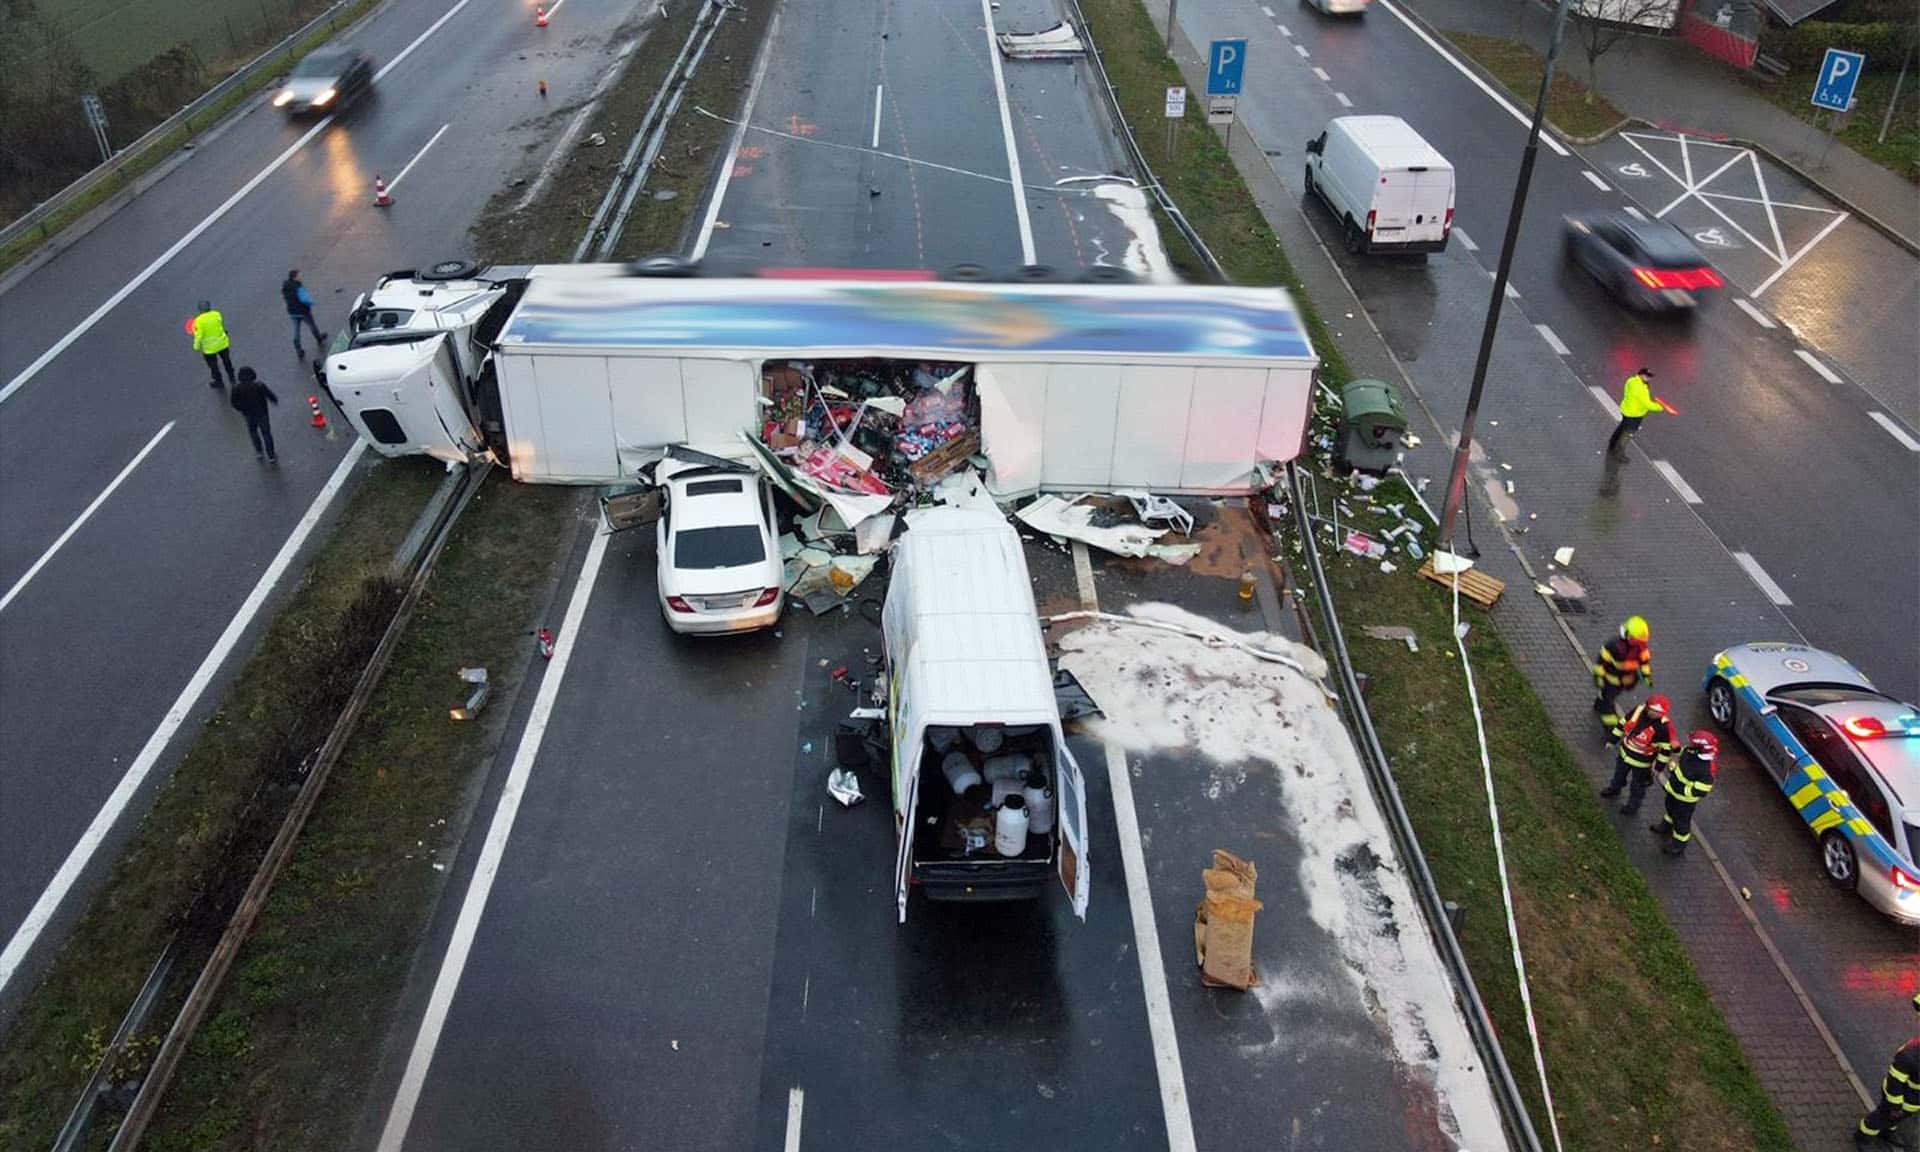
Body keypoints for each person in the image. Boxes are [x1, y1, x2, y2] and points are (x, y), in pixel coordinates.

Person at [1855, 993, 1919, 1149]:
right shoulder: (1909, 1055)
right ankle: (1863, 1137)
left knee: (1895, 1120)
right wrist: (1895, 1107)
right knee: (1881, 1117)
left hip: (1913, 1102)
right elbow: (1894, 1083)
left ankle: (1887, 1132)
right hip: (1899, 1100)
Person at [1601, 694, 1675, 816]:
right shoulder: (1638, 711)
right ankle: (1614, 789)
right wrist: (1612, 739)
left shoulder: (1663, 728)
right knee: (1618, 776)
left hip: (1642, 764)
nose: (1654, 714)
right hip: (1624, 755)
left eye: (1658, 712)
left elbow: (1665, 750)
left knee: (1637, 788)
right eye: (1652, 710)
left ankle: (1632, 807)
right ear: (1647, 707)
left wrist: (1658, 767)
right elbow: (1622, 724)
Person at [1650, 731, 1717, 856]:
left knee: (1681, 822)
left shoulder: (1706, 769)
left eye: (1693, 743)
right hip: (1673, 792)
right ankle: (1666, 826)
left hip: (1685, 801)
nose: (1690, 744)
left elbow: (1701, 790)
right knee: (1670, 810)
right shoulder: (1691, 751)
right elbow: (1682, 754)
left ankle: (1678, 845)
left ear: (1700, 748)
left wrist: (1681, 790)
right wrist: (1677, 749)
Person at [1592, 615, 1652, 731]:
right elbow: (1601, 662)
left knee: (1607, 697)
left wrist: (1646, 676)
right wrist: (1598, 676)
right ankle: (1610, 727)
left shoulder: (1641, 647)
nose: (1638, 643)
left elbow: (1644, 662)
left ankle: (1599, 705)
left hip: (1625, 680)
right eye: (1636, 640)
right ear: (1628, 635)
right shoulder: (1614, 646)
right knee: (1608, 703)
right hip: (1611, 679)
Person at [1606, 367, 1667, 460]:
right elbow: (1648, 404)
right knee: (1628, 433)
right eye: (1647, 376)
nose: (1649, 378)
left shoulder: (1631, 381)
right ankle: (1618, 453)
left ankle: (1612, 444)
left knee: (1622, 427)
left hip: (1626, 409)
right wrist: (1659, 407)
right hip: (1635, 414)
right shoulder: (1641, 388)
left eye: (1650, 376)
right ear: (1640, 375)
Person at [229, 366, 280, 463]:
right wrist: (274, 400)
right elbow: (269, 395)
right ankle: (271, 455)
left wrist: (241, 409)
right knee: (266, 433)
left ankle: (259, 452)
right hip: (262, 413)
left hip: (248, 414)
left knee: (253, 432)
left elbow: (234, 402)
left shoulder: (236, 388)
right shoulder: (259, 385)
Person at [190, 300, 237, 388]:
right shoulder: (217, 314)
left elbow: (198, 335)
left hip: (209, 349)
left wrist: (196, 346)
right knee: (227, 361)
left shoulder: (198, 321)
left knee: (213, 366)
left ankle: (219, 381)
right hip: (222, 343)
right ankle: (232, 377)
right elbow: (219, 326)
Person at [281, 269, 326, 358]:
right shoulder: (298, 286)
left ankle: (298, 349)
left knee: (296, 331)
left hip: (292, 312)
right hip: (303, 311)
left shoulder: (286, 286)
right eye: (300, 276)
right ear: (295, 277)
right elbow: (304, 299)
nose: (301, 277)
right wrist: (312, 302)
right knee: (312, 326)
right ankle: (319, 338)